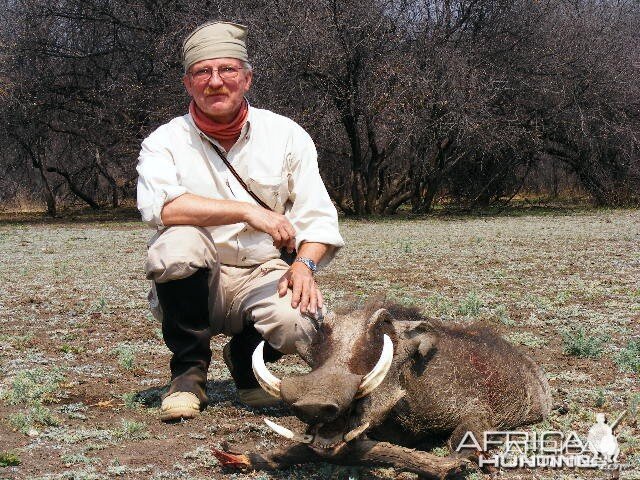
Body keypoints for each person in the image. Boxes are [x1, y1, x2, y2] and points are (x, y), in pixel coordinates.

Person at [136, 21, 344, 422]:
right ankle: (187, 375)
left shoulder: (286, 134)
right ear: (188, 83)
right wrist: (249, 211)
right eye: (203, 72)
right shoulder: (164, 140)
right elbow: (162, 208)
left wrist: (305, 265)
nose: (215, 82)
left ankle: (247, 363)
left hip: (262, 269)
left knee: (305, 324)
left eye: (227, 70)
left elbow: (318, 216)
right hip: (201, 274)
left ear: (246, 78)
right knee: (175, 244)